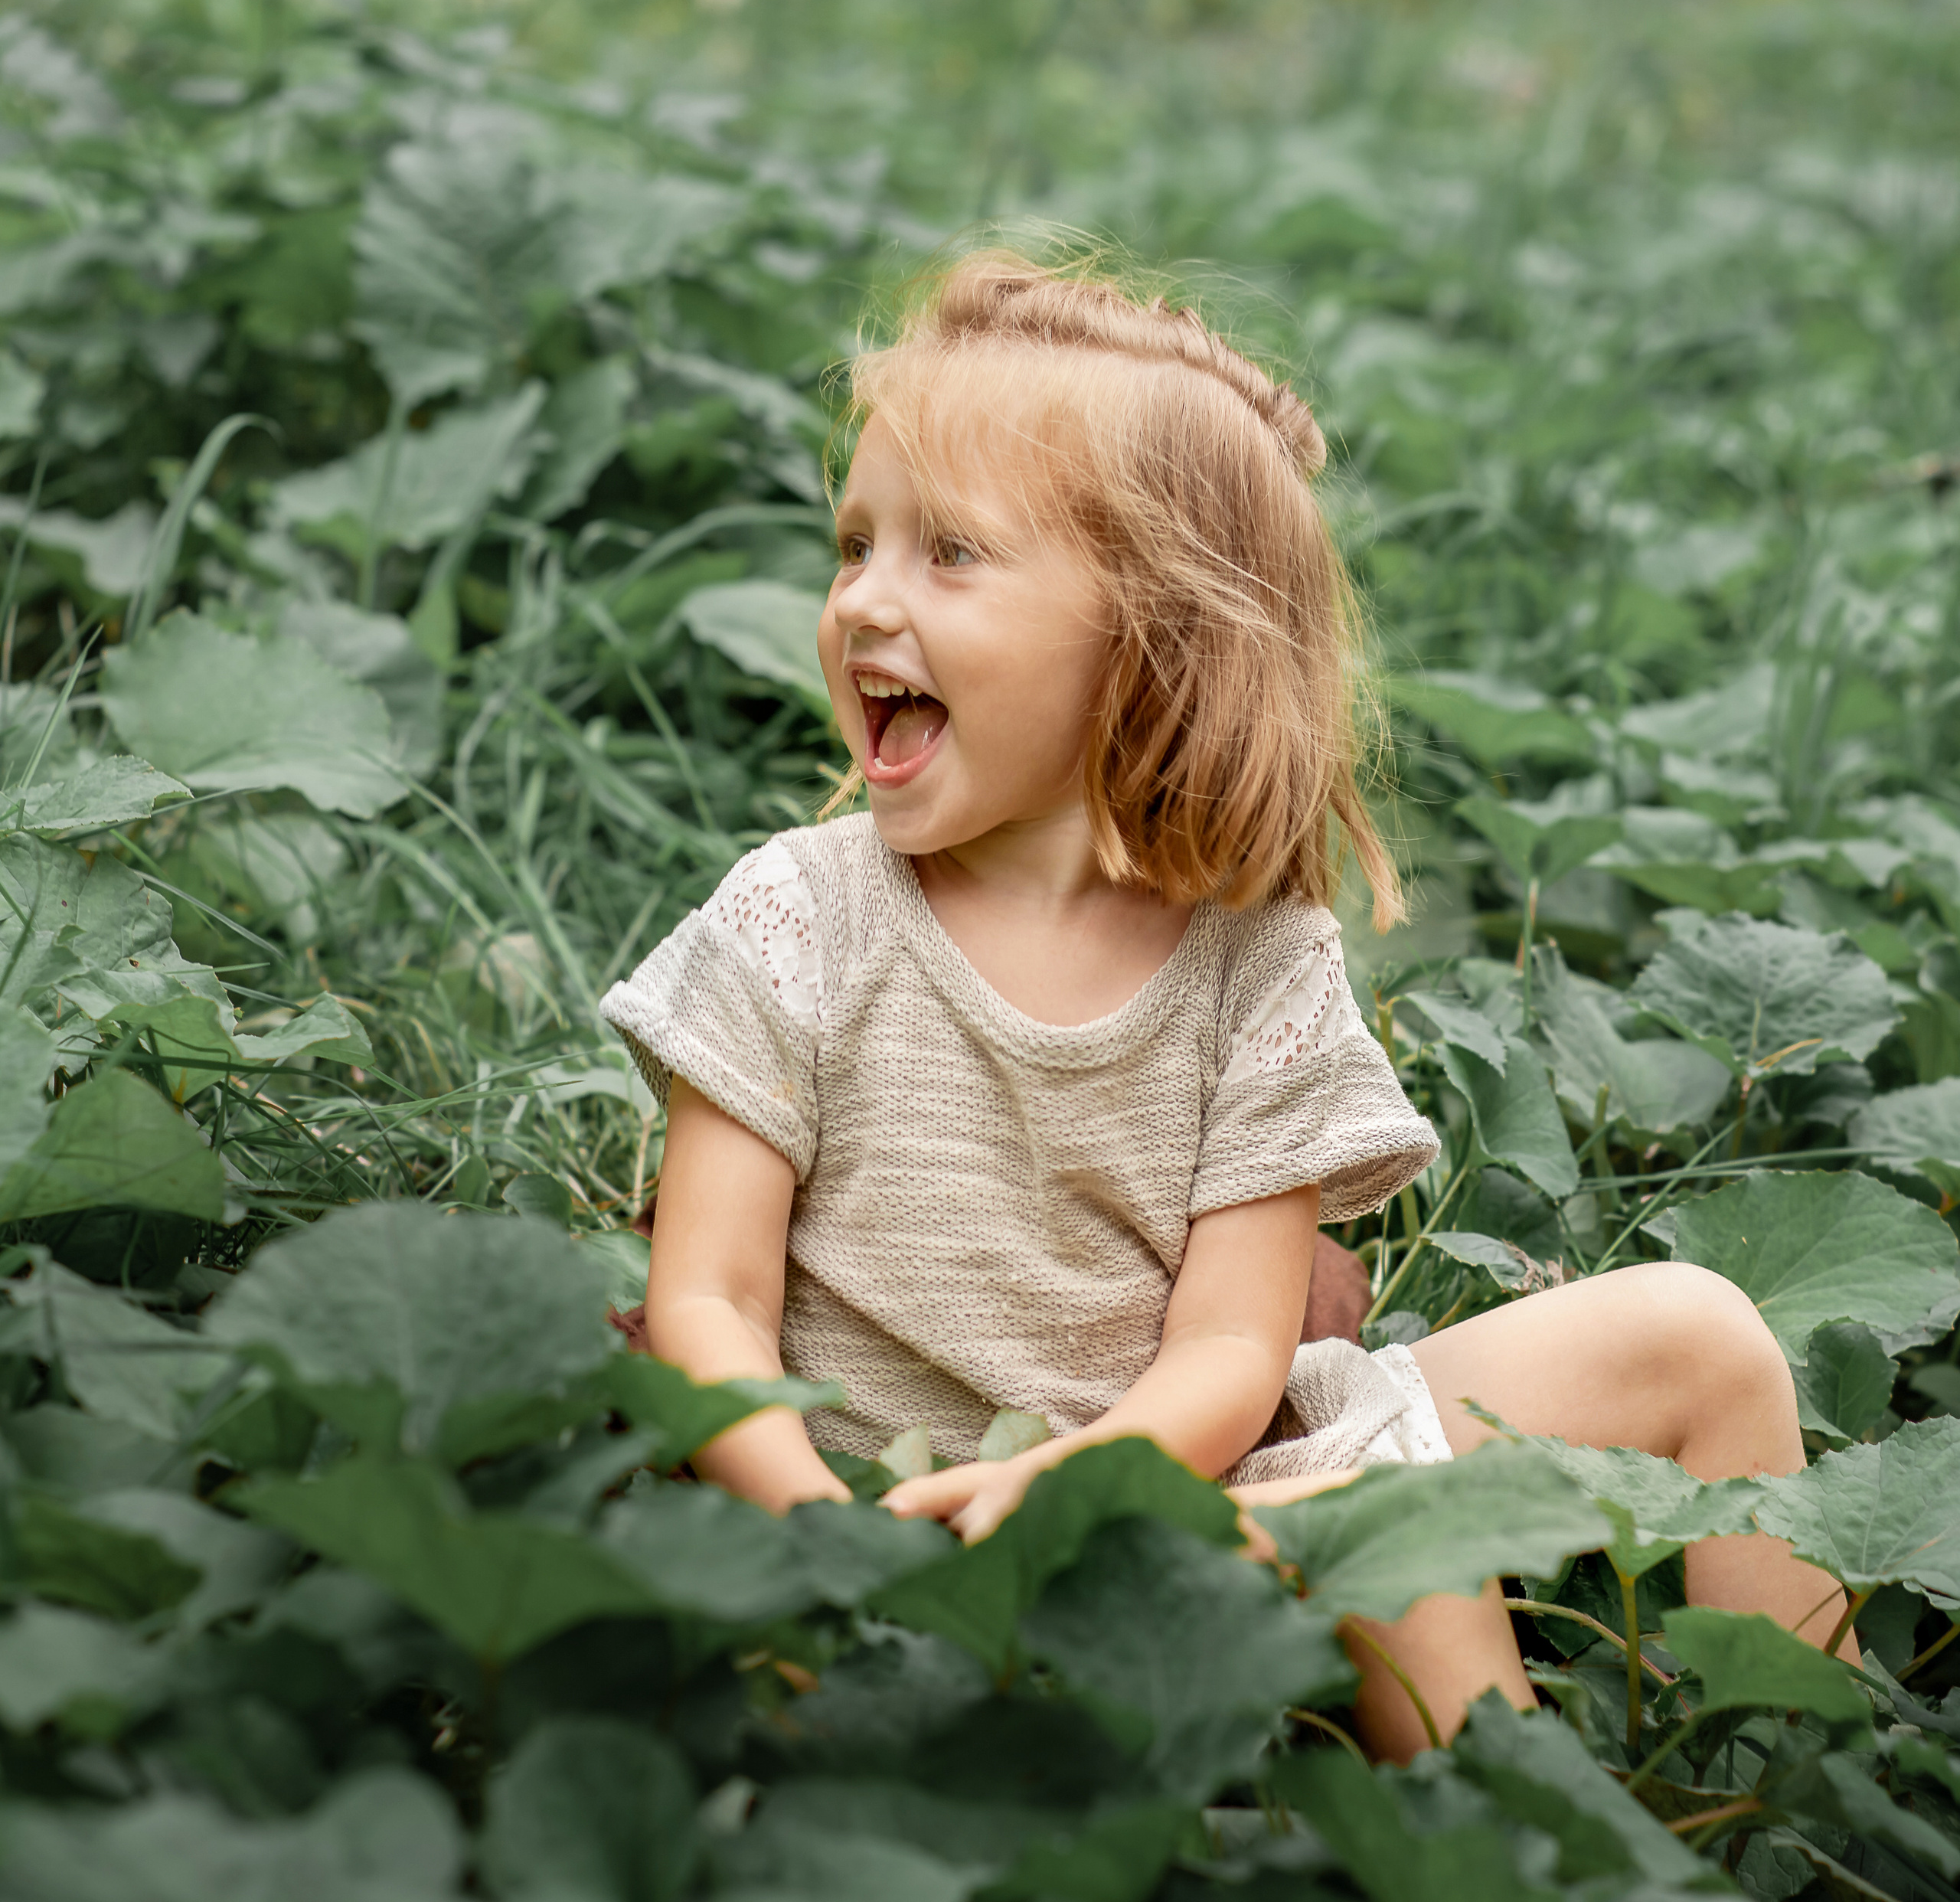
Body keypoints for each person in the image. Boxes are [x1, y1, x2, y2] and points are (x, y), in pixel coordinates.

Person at [599, 251, 1848, 1762]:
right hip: (869, 1523)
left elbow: (1225, 1354)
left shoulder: (1253, 958)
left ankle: (1798, 1777)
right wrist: (818, 1536)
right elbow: (709, 1300)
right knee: (1397, 1546)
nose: (863, 595)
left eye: (948, 554)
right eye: (853, 541)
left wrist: (1087, 1492)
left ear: (1150, 633)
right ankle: (1496, 1832)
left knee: (1696, 1333)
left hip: (1161, 1498)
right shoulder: (797, 918)